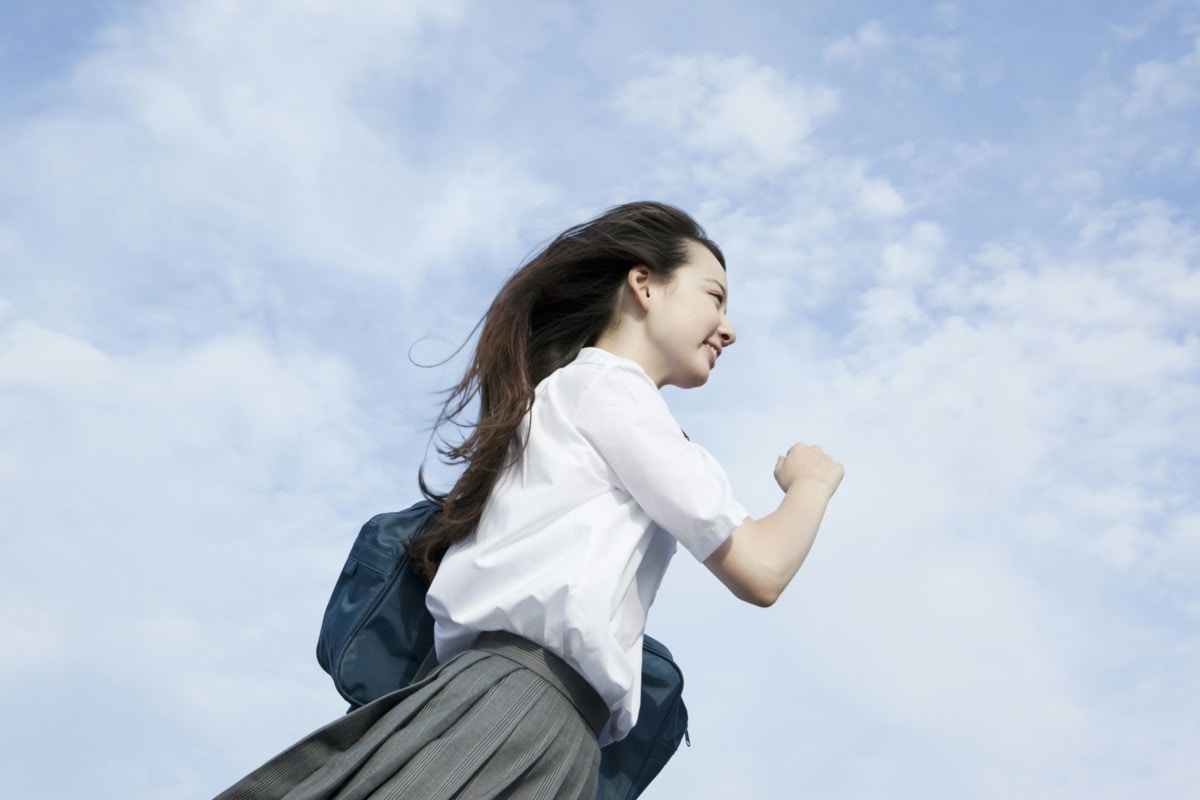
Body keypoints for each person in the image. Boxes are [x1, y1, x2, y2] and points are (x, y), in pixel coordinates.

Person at [216, 201, 843, 799]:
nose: (729, 328)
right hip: (520, 712)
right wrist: (811, 483)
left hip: (532, 723)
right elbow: (761, 568)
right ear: (645, 286)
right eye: (715, 297)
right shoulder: (609, 390)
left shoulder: (571, 400)